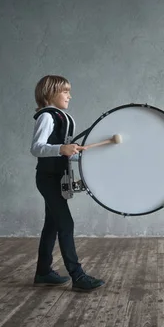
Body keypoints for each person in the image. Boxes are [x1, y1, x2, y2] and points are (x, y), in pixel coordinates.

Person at [29, 74, 105, 292]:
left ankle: (43, 272)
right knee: (66, 224)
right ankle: (78, 276)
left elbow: (61, 153)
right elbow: (37, 148)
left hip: (56, 178)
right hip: (47, 179)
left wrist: (79, 155)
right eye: (65, 91)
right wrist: (62, 149)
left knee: (52, 225)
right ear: (50, 93)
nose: (69, 96)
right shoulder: (47, 117)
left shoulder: (63, 117)